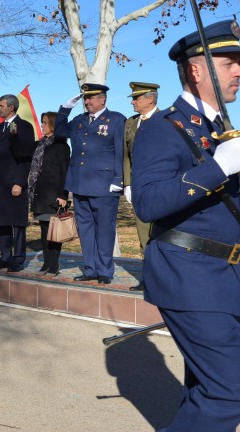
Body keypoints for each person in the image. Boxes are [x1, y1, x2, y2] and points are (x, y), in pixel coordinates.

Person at [132, 20, 240, 431]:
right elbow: (148, 202)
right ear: (197, 70)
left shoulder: (218, 128)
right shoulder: (162, 128)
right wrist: (220, 166)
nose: (239, 71)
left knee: (205, 389)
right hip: (189, 273)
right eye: (230, 62)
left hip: (226, 276)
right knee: (228, 391)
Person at [55, 83, 126, 284]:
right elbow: (60, 132)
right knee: (85, 229)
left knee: (104, 229)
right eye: (85, 98)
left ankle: (104, 270)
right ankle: (90, 268)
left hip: (105, 185)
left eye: (91, 98)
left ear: (102, 99)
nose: (87, 102)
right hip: (79, 183)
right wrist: (64, 109)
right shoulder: (79, 120)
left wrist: (118, 179)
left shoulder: (116, 120)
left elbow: (121, 151)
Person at [0, 94, 36, 272]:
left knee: (17, 223)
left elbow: (25, 157)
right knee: (2, 221)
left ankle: (18, 258)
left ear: (11, 107)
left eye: (1, 106)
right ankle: (5, 256)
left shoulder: (24, 127)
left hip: (14, 182)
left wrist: (19, 182)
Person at [123, 81, 160, 291]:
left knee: (163, 234)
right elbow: (126, 155)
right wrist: (127, 183)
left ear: (150, 99)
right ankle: (149, 279)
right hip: (138, 187)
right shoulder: (130, 123)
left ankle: (165, 278)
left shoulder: (167, 120)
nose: (133, 102)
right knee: (143, 234)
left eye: (136, 98)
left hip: (161, 186)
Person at [28, 112, 70, 276]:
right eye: (42, 122)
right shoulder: (39, 145)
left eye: (45, 123)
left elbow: (65, 172)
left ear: (53, 125)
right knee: (44, 231)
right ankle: (46, 263)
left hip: (54, 195)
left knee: (55, 232)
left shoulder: (61, 146)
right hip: (40, 194)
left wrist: (63, 195)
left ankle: (54, 264)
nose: (42, 126)